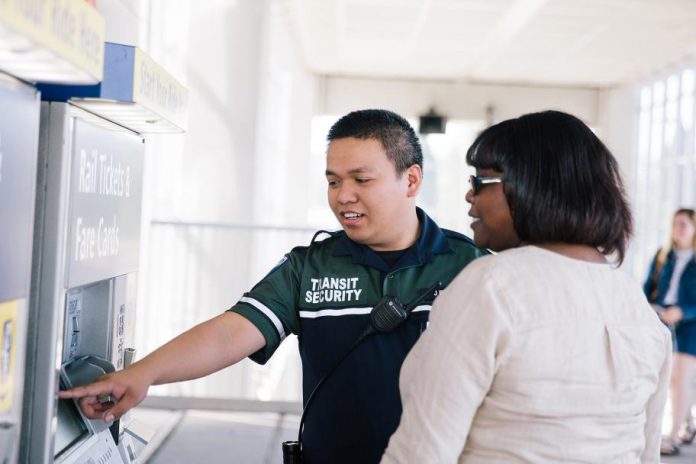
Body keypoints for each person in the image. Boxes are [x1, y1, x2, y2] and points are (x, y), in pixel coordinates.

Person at [60, 109, 486, 463]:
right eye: (334, 181)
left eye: (362, 180)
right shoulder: (311, 267)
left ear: (411, 180)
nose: (343, 196)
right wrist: (142, 375)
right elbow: (232, 331)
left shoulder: (471, 266)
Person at [381, 110, 672, 463]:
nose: (469, 196)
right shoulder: (636, 307)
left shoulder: (490, 286)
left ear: (536, 186)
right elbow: (647, 455)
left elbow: (421, 454)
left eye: (481, 181)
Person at [644, 208, 696, 456]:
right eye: (676, 223)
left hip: (690, 325)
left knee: (679, 379)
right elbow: (648, 287)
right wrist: (649, 306)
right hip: (662, 320)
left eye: (684, 224)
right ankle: (688, 422)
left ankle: (673, 436)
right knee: (669, 377)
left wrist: (683, 311)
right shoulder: (663, 256)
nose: (679, 228)